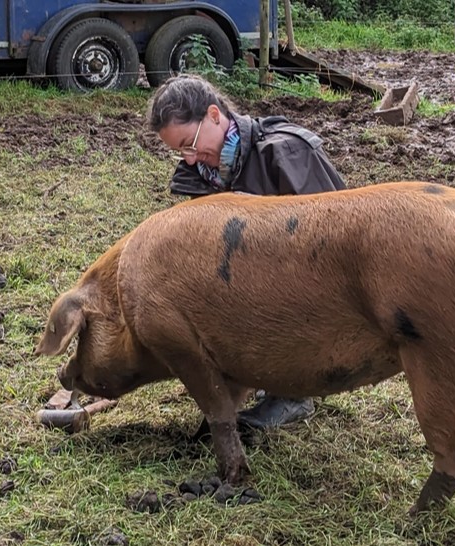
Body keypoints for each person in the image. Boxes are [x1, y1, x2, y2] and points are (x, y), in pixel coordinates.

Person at [146, 74, 347, 429]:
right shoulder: (199, 176)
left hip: (306, 285)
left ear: (213, 115)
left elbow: (338, 235)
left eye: (189, 144)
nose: (189, 159)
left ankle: (292, 393)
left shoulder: (287, 152)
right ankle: (248, 374)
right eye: (179, 151)